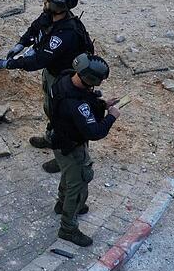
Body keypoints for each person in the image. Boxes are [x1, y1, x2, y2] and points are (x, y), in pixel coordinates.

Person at [0, 0, 94, 173]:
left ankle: (65, 158)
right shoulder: (52, 16)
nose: (44, 2)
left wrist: (7, 64)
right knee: (51, 109)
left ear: (58, 5)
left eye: (48, 0)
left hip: (68, 82)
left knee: (67, 120)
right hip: (54, 73)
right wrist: (20, 44)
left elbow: (37, 61)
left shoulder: (66, 34)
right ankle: (51, 139)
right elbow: (36, 28)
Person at [47, 53, 120, 247]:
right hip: (72, 147)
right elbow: (94, 131)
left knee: (67, 175)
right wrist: (111, 116)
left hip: (59, 139)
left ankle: (61, 205)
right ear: (90, 79)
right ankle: (68, 228)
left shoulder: (65, 78)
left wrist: (102, 105)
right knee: (77, 186)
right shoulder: (77, 105)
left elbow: (82, 99)